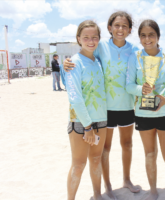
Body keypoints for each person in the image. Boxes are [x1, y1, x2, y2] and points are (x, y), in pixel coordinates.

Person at [64, 11, 140, 199]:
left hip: (117, 110)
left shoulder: (132, 50)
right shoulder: (98, 49)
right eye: (116, 25)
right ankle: (106, 186)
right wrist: (64, 63)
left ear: (130, 29)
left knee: (124, 146)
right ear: (109, 28)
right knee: (89, 158)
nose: (120, 29)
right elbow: (79, 63)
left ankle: (120, 182)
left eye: (124, 26)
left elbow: (148, 60)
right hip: (96, 115)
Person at [126, 19, 165, 200]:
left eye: (151, 34)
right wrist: (139, 89)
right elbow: (128, 85)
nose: (147, 39)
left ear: (158, 36)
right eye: (143, 35)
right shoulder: (134, 58)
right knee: (150, 155)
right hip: (143, 113)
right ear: (139, 38)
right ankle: (152, 191)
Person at [65, 20, 107, 200]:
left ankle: (98, 195)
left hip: (101, 119)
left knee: (96, 160)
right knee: (79, 164)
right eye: (86, 37)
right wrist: (88, 126)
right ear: (78, 39)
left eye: (94, 37)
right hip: (81, 122)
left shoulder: (98, 61)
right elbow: (75, 97)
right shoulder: (74, 62)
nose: (91, 41)